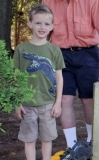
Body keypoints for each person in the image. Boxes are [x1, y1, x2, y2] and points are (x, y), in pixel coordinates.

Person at [41, 0, 99, 156]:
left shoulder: (93, 1)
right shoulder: (48, 2)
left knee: (88, 100)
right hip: (60, 55)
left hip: (88, 54)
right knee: (64, 100)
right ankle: (72, 148)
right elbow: (45, 32)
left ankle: (91, 143)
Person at [13, 4, 65, 160]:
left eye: (47, 24)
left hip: (48, 103)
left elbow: (59, 77)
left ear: (52, 27)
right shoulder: (21, 49)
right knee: (29, 139)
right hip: (27, 104)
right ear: (30, 24)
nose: (42, 27)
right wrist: (17, 102)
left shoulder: (54, 50)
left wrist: (58, 103)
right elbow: (16, 77)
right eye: (38, 23)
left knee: (47, 138)